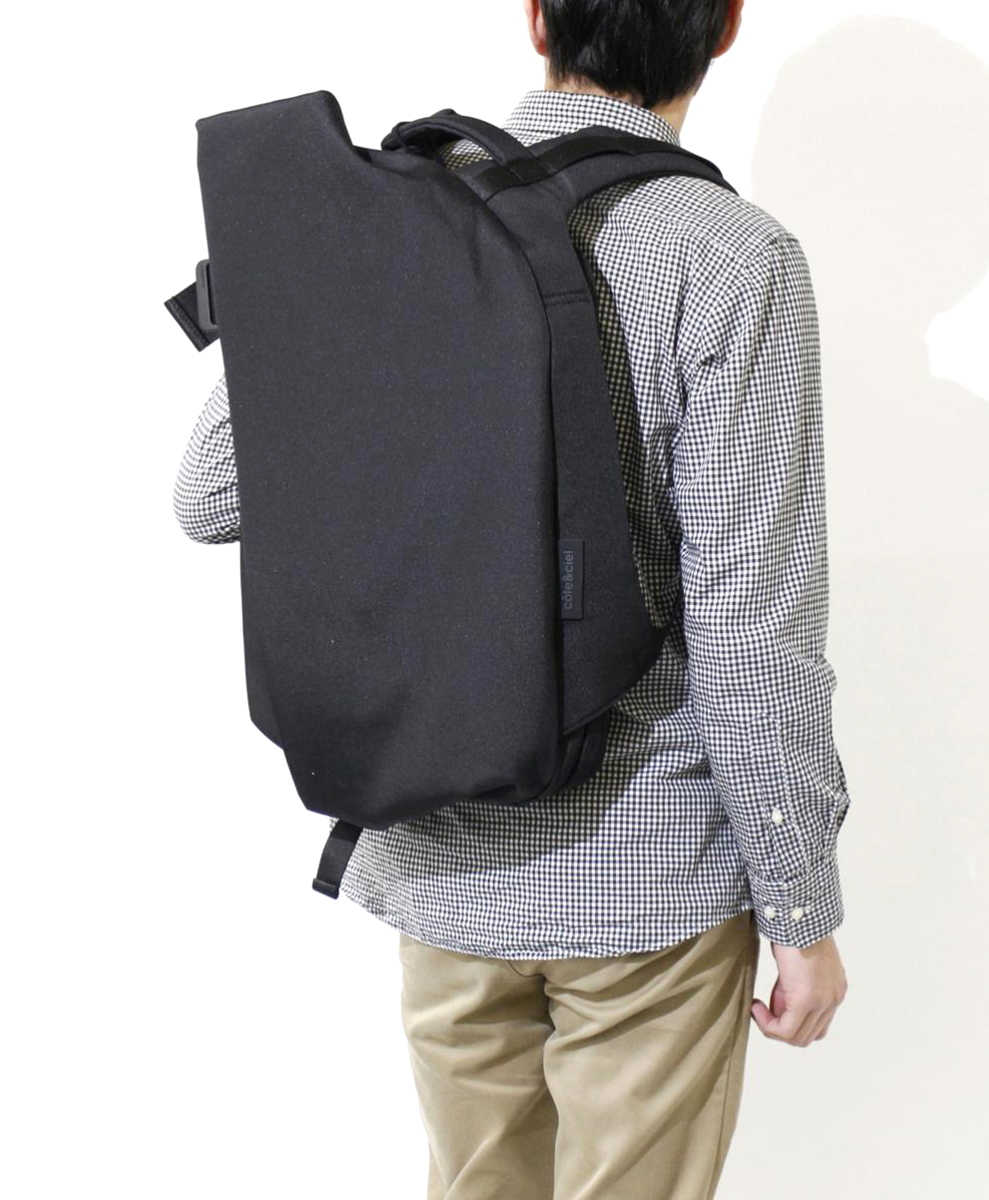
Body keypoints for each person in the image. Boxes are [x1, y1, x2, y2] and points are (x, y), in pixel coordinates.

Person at [173, 1, 852, 1195]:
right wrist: (801, 912)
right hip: (648, 881)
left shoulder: (382, 212)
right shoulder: (730, 256)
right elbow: (753, 632)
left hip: (436, 849)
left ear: (537, 17)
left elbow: (210, 497)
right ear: (727, 28)